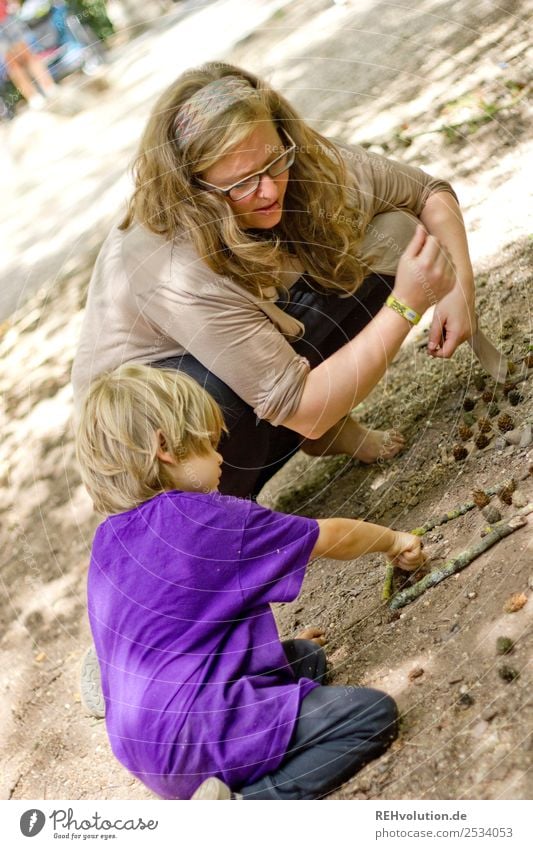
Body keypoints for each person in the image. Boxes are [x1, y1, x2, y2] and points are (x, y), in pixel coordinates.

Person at [72, 62, 474, 498]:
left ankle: (330, 432)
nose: (268, 190)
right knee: (203, 397)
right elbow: (295, 406)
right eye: (241, 183)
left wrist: (460, 291)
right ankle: (225, 520)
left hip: (244, 364)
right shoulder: (173, 264)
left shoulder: (291, 158)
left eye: (273, 162)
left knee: (395, 233)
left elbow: (426, 192)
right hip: (149, 445)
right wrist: (405, 306)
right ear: (196, 189)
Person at [76, 363, 426, 800]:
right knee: (368, 715)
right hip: (196, 732)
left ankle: (221, 779)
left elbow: (180, 632)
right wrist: (393, 541)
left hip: (144, 746)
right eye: (206, 445)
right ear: (166, 449)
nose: (220, 457)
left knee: (306, 658)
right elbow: (329, 535)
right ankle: (243, 808)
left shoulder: (108, 541)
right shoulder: (206, 519)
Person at [0, 0, 57, 108]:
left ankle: (49, 87)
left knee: (27, 54)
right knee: (12, 64)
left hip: (7, 16)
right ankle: (33, 97)